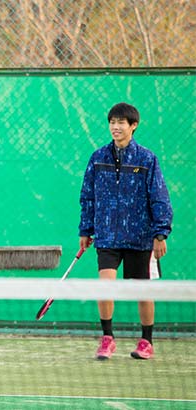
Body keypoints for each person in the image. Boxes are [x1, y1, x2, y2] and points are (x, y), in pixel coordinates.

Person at [78, 102, 173, 361]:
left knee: (142, 290)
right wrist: (86, 229)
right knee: (105, 286)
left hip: (140, 236)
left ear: (133, 126)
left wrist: (160, 233)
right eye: (112, 122)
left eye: (121, 122)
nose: (115, 127)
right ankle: (107, 338)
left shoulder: (147, 159)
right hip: (107, 234)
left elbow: (159, 197)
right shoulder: (97, 158)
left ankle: (146, 340)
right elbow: (88, 196)